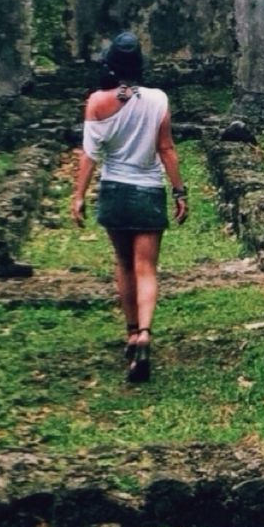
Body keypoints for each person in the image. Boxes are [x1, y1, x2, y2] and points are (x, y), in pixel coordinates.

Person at [71, 32, 188, 383]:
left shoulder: (96, 102)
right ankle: (147, 334)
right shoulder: (158, 100)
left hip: (115, 191)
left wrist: (78, 195)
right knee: (146, 268)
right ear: (139, 65)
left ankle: (131, 331)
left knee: (123, 263)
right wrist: (180, 191)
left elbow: (90, 155)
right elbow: (166, 149)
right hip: (149, 191)